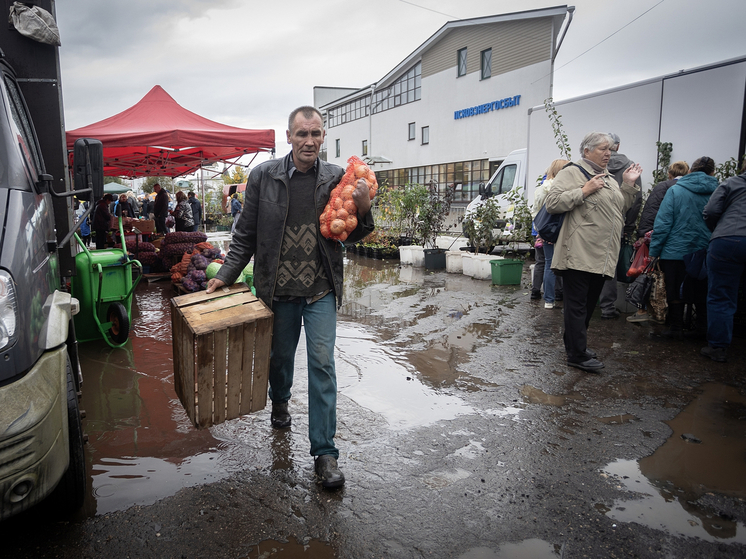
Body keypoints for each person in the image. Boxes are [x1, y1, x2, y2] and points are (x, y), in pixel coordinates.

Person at [206, 106, 375, 488]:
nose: (309, 141)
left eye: (316, 134)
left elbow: (351, 232)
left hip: (320, 290)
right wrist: (226, 276)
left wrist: (364, 210)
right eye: (302, 134)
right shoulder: (264, 177)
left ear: (323, 137)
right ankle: (279, 400)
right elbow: (245, 235)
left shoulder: (336, 177)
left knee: (322, 365)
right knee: (279, 360)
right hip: (278, 291)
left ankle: (325, 454)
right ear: (289, 137)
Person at [545, 132, 642, 373]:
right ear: (587, 151)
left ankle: (576, 348)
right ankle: (576, 354)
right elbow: (552, 203)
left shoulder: (608, 178)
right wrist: (584, 191)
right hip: (578, 252)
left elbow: (620, 208)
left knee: (587, 306)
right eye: (602, 149)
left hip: (602, 254)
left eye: (610, 149)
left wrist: (628, 185)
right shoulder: (572, 172)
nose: (608, 153)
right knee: (577, 307)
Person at [648, 157, 718, 338]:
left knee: (674, 290)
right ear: (712, 173)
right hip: (704, 250)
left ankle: (676, 329)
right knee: (703, 291)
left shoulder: (675, 191)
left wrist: (654, 251)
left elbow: (663, 223)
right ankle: (702, 329)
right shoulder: (718, 191)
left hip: (675, 251)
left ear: (690, 172)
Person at [627, 160, 689, 323]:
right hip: (685, 243)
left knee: (650, 275)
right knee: (675, 281)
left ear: (670, 174)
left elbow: (651, 211)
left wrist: (643, 235)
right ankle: (671, 318)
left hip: (660, 238)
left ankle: (644, 311)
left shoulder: (663, 187)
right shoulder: (689, 188)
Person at [701, 159, 746, 362]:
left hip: (727, 241)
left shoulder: (732, 183)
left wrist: (719, 230)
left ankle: (718, 348)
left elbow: (710, 211)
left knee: (721, 295)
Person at [598, 134, 643, 319]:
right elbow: (636, 199)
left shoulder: (597, 165)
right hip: (618, 223)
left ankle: (592, 301)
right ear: (618, 146)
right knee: (611, 264)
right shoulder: (631, 166)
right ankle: (608, 307)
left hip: (597, 221)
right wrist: (629, 227)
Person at [531, 158, 568, 309]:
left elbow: (536, 211)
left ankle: (548, 300)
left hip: (546, 230)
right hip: (563, 231)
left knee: (547, 263)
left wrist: (540, 231)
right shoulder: (566, 188)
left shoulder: (542, 187)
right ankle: (563, 296)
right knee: (565, 265)